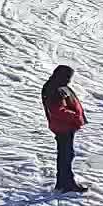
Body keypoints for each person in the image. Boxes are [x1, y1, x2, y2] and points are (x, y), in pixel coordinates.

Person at [41, 65, 88, 193]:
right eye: (67, 77)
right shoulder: (55, 89)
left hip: (65, 126)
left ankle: (64, 182)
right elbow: (57, 110)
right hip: (63, 126)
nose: (69, 80)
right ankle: (66, 183)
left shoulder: (57, 86)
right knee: (66, 155)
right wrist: (76, 117)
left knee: (66, 154)